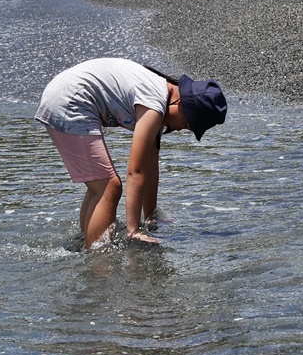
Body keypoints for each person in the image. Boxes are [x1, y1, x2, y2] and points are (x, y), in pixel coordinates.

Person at [35, 57, 227, 249]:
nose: (179, 129)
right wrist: (133, 230)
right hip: (69, 101)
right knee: (109, 187)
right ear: (180, 104)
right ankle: (98, 264)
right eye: (186, 124)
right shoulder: (154, 104)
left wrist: (150, 217)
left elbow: (150, 167)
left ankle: (86, 245)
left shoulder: (158, 97)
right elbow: (136, 172)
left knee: (100, 186)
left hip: (65, 96)